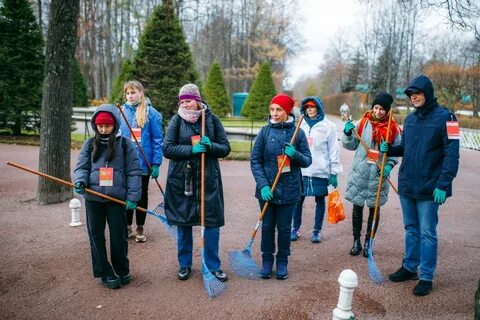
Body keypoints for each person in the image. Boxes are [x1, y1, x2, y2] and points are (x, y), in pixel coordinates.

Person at [380, 75, 460, 296]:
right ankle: (409, 266)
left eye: (417, 93)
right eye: (410, 94)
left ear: (428, 93)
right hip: (408, 185)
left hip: (430, 188)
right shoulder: (411, 119)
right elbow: (405, 148)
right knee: (410, 229)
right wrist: (391, 149)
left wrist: (443, 184)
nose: (413, 97)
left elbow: (452, 156)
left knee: (427, 233)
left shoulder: (448, 118)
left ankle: (426, 275)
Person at [163, 83, 231, 282]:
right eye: (182, 101)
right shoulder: (176, 121)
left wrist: (211, 147)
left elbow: (225, 148)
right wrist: (191, 150)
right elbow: (167, 149)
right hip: (182, 181)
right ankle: (184, 264)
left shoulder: (212, 120)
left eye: (189, 100)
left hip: (208, 180)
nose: (185, 104)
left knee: (211, 223)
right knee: (183, 223)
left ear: (198, 100)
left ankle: (213, 265)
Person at [73, 104, 142, 289]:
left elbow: (134, 172)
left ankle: (122, 269)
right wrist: (80, 182)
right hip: (93, 198)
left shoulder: (126, 144)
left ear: (115, 125)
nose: (103, 129)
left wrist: (133, 197)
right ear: (95, 125)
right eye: (100, 126)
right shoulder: (89, 143)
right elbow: (82, 167)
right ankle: (105, 272)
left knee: (119, 237)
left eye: (107, 126)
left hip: (116, 200)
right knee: (95, 235)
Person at [251, 93, 312, 280]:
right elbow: (255, 160)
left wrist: (295, 155)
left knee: (285, 228)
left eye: (279, 110)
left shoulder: (298, 133)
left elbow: (307, 161)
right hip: (267, 190)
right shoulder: (264, 132)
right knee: (268, 226)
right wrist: (262, 186)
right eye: (272, 110)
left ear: (287, 112)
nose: (274, 113)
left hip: (290, 190)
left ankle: (283, 260)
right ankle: (267, 260)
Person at [342, 92, 401, 258]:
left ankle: (369, 241)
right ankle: (356, 241)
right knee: (357, 207)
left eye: (382, 109)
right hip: (360, 172)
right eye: (376, 107)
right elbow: (352, 145)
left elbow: (396, 152)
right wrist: (347, 133)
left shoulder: (393, 128)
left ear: (387, 111)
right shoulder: (363, 122)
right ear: (372, 108)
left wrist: (389, 165)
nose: (378, 111)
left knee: (374, 210)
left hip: (378, 174)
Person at [290, 97, 342, 243]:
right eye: (307, 107)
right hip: (302, 170)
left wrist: (334, 172)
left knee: (320, 200)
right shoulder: (301, 125)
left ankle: (317, 230)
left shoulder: (329, 126)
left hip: (320, 170)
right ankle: (295, 228)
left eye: (312, 107)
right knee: (298, 200)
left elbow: (334, 150)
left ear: (318, 108)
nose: (309, 110)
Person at [119, 80, 163, 243]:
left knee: (141, 194)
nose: (130, 96)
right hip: (125, 162)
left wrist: (156, 163)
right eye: (128, 93)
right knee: (127, 193)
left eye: (133, 92)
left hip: (144, 161)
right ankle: (127, 225)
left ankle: (140, 227)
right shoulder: (120, 111)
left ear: (141, 93)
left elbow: (157, 139)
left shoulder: (152, 113)